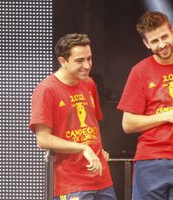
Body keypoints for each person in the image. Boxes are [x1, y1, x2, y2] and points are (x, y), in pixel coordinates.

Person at [29, 33, 117, 200]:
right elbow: (43, 140)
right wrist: (84, 148)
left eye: (89, 59)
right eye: (79, 61)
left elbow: (92, 123)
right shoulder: (46, 89)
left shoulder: (89, 83)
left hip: (102, 178)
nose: (87, 65)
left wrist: (98, 148)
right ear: (63, 61)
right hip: (70, 183)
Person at [117, 11, 173, 200]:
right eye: (154, 41)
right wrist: (167, 115)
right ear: (146, 43)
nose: (161, 45)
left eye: (164, 37)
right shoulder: (139, 71)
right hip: (149, 161)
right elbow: (127, 124)